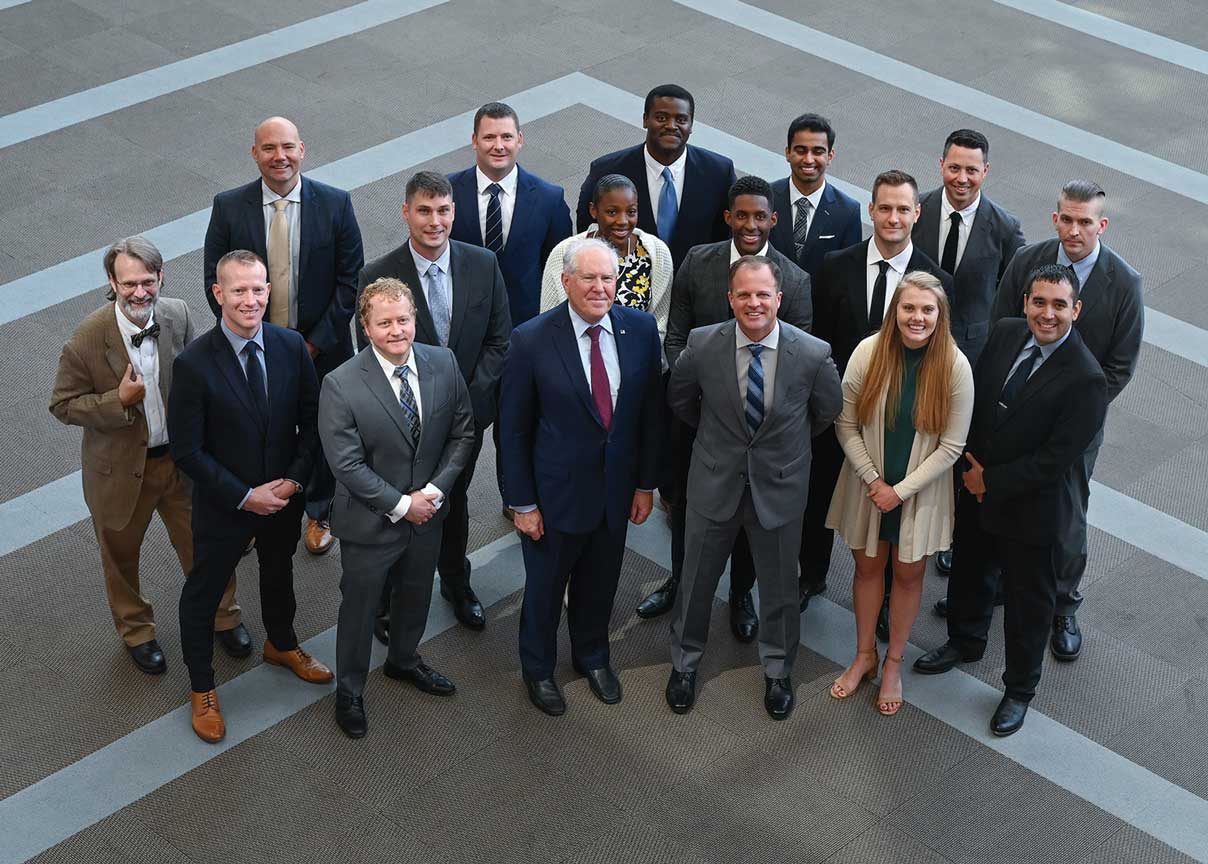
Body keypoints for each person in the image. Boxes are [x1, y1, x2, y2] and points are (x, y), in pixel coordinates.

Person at [914, 266, 1106, 736]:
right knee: (968, 572)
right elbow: (978, 403)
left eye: (1059, 305)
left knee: (1027, 605)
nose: (1048, 313)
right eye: (1039, 302)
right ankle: (965, 641)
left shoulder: (1087, 379)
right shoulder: (1004, 334)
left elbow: (1055, 460)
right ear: (1025, 302)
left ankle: (1020, 689)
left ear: (1075, 310)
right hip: (977, 488)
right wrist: (968, 474)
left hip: (1034, 512)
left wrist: (990, 482)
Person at [50, 237, 243, 674]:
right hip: (118, 471)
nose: (140, 293)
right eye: (130, 283)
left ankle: (223, 615)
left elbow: (204, 378)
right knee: (120, 557)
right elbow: (62, 405)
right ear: (112, 282)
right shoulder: (86, 337)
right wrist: (118, 401)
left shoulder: (178, 313)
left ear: (161, 277)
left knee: (207, 545)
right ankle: (137, 631)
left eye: (148, 282)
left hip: (182, 462)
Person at [637, 175, 814, 641]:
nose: (750, 225)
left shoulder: (793, 281)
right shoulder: (697, 261)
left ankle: (740, 595)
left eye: (760, 217)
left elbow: (798, 366)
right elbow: (676, 337)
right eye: (742, 215)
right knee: (688, 511)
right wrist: (702, 398)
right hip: (696, 422)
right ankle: (680, 581)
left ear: (774, 220)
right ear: (728, 217)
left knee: (751, 519)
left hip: (760, 435)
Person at [666, 255, 842, 720]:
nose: (754, 303)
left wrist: (779, 454)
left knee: (780, 588)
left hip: (779, 488)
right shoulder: (703, 345)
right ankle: (684, 665)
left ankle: (779, 671)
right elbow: (681, 401)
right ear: (730, 298)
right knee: (696, 581)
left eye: (763, 294)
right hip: (713, 483)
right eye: (743, 294)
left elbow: (826, 412)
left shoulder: (812, 353)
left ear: (779, 299)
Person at [170, 250, 331, 743]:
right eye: (238, 290)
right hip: (226, 506)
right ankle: (202, 688)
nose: (250, 299)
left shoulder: (289, 347)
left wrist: (292, 482)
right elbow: (187, 451)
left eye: (258, 289)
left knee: (279, 573)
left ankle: (281, 644)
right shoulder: (194, 364)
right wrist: (245, 495)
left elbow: (313, 424)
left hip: (283, 498)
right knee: (204, 592)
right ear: (218, 294)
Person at [500, 238, 663, 716]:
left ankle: (593, 656)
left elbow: (649, 415)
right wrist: (522, 504)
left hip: (614, 494)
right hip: (554, 499)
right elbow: (512, 430)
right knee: (546, 591)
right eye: (588, 278)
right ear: (566, 281)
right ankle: (538, 669)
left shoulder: (640, 328)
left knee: (600, 585)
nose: (599, 288)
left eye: (608, 279)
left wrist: (644, 485)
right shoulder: (531, 339)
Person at [988, 180, 1142, 662]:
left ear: (1102, 224)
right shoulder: (1028, 261)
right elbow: (1001, 328)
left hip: (1076, 422)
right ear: (1055, 218)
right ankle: (995, 581)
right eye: (1067, 219)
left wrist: (1079, 412)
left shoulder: (1125, 283)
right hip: (1013, 411)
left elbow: (1120, 365)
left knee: (1067, 512)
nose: (1075, 230)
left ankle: (1063, 603)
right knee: (998, 490)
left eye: (1085, 221)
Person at [320, 278, 475, 739]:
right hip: (371, 522)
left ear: (414, 319)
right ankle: (349, 690)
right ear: (366, 328)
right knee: (360, 609)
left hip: (428, 514)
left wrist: (435, 494)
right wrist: (403, 504)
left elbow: (463, 433)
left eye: (403, 320)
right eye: (384, 322)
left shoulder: (442, 362)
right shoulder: (340, 383)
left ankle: (404, 661)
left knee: (415, 594)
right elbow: (346, 464)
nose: (396, 331)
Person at [203, 116, 364, 557]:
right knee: (258, 429)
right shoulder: (228, 206)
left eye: (288, 147)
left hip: (322, 347)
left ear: (303, 150)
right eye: (270, 148)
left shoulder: (335, 204)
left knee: (324, 428)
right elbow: (214, 282)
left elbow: (350, 282)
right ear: (254, 153)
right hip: (254, 348)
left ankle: (319, 510)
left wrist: (309, 345)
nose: (280, 157)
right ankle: (260, 509)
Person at [357, 171, 510, 633]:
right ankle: (386, 598)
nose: (434, 220)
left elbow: (498, 344)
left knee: (453, 502)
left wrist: (464, 407)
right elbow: (372, 359)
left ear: (454, 212)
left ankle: (456, 582)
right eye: (424, 210)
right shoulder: (376, 275)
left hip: (464, 422)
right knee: (398, 509)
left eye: (443, 210)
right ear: (406, 213)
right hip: (402, 425)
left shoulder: (483, 263)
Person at [809, 170, 951, 633]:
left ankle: (888, 602)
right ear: (870, 210)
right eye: (884, 208)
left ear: (917, 214)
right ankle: (810, 576)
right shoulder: (834, 265)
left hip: (899, 423)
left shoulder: (935, 282)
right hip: (840, 412)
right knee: (821, 498)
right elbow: (820, 339)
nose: (893, 217)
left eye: (902, 209)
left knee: (893, 518)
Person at [825, 272, 973, 716]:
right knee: (867, 569)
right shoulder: (868, 353)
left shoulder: (955, 366)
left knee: (908, 577)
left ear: (940, 315)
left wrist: (900, 491)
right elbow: (844, 422)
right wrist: (874, 480)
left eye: (928, 310)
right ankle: (864, 655)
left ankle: (892, 664)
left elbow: (952, 446)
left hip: (919, 492)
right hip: (867, 486)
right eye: (909, 308)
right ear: (896, 311)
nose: (918, 317)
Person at [914, 129, 1025, 577]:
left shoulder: (1005, 227)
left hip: (975, 357)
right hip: (917, 343)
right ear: (941, 165)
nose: (962, 178)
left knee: (961, 447)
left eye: (972, 170)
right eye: (954, 167)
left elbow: (1013, 294)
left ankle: (954, 535)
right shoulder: (916, 209)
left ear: (986, 172)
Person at [575, 84, 736, 268]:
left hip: (696, 288)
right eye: (661, 118)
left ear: (691, 125)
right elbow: (587, 227)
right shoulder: (607, 169)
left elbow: (729, 232)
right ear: (645, 120)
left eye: (681, 119)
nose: (671, 126)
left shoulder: (719, 172)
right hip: (627, 286)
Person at [449, 101, 574, 329]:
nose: (499, 146)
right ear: (474, 141)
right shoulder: (448, 192)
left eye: (507, 137)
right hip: (461, 324)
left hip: (525, 327)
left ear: (520, 140)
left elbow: (558, 267)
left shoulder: (549, 198)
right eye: (489, 138)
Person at [541, 174, 673, 340]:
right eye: (612, 212)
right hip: (571, 356)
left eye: (631, 212)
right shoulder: (564, 253)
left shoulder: (657, 253)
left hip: (635, 359)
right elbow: (548, 322)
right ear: (593, 210)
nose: (623, 221)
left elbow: (658, 326)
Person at [769, 113, 862, 284]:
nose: (809, 159)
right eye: (801, 150)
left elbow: (848, 274)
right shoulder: (766, 198)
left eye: (818, 151)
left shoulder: (848, 211)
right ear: (788, 153)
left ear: (830, 156)